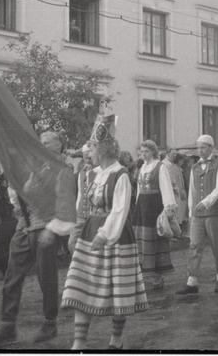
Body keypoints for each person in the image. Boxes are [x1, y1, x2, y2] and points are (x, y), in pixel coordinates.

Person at [61, 114, 148, 350]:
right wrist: (78, 230)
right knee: (82, 285)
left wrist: (105, 234)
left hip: (116, 236)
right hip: (89, 232)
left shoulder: (121, 176)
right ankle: (79, 342)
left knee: (117, 288)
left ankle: (116, 339)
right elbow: (83, 204)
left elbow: (120, 210)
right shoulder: (92, 175)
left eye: (93, 147)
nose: (89, 152)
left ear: (104, 148)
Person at [0, 130, 77, 346]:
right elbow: (24, 190)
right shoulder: (35, 165)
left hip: (46, 224)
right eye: (41, 141)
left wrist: (52, 229)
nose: (43, 144)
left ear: (59, 145)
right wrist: (18, 202)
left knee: (45, 277)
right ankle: (7, 325)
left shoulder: (63, 168)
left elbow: (65, 201)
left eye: (48, 141)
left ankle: (50, 322)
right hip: (25, 223)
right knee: (12, 275)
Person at [176, 134, 218, 295]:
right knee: (194, 245)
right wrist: (191, 211)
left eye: (203, 147)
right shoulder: (194, 167)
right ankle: (192, 281)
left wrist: (207, 202)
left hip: (213, 212)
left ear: (212, 148)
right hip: (197, 215)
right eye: (198, 147)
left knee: (217, 245)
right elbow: (192, 189)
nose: (200, 150)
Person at [130, 139, 178, 291]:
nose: (144, 154)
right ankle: (143, 273)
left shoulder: (160, 167)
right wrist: (137, 205)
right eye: (142, 152)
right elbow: (138, 189)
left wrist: (168, 207)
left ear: (153, 152)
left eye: (147, 152)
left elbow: (166, 187)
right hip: (142, 206)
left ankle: (158, 275)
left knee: (154, 241)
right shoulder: (142, 167)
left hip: (154, 205)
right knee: (142, 241)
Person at [69, 144, 93, 254]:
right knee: (72, 242)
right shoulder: (79, 172)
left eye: (90, 157)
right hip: (79, 214)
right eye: (85, 157)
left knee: (91, 244)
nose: (88, 159)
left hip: (93, 214)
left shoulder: (99, 172)